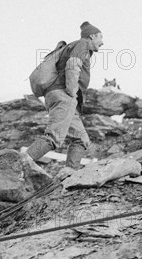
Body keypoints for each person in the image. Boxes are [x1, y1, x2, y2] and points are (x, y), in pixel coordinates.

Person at [23, 21, 104, 172]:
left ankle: (69, 176)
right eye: (100, 37)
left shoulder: (77, 46)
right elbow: (73, 66)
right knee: (54, 137)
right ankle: (16, 166)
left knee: (81, 139)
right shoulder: (83, 44)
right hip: (64, 95)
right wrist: (72, 93)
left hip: (57, 94)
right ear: (92, 36)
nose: (102, 42)